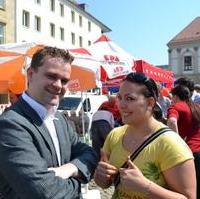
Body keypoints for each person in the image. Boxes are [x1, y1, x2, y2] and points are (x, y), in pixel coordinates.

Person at [0, 46, 98, 199]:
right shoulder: (10, 124)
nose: (58, 85)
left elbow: (90, 154)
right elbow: (44, 192)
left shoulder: (60, 119)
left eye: (64, 80)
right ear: (31, 74)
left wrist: (70, 168)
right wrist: (77, 184)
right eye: (52, 76)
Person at [94, 72, 196, 199]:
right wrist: (101, 177)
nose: (121, 105)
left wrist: (145, 187)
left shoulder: (171, 144)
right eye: (119, 97)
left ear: (150, 102)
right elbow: (104, 183)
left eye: (130, 98)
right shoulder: (115, 135)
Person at [167, 85, 200, 199]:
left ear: (175, 96)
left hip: (189, 152)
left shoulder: (175, 107)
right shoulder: (197, 107)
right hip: (198, 148)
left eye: (172, 96)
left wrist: (177, 142)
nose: (171, 99)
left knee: (188, 189)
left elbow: (171, 121)